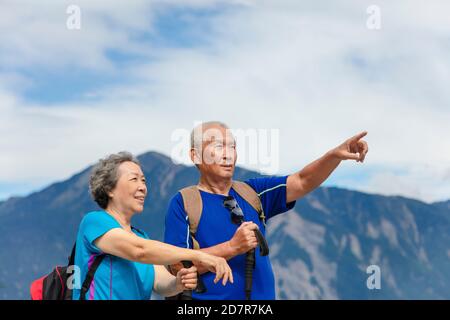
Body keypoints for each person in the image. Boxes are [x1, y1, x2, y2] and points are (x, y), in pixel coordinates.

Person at [164, 121, 368, 299]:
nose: (228, 154)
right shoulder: (184, 202)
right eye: (218, 146)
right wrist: (231, 247)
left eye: (232, 146)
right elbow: (177, 267)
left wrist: (335, 156)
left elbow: (302, 181)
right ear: (195, 155)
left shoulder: (253, 193)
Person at [73, 151, 233, 300]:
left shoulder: (142, 238)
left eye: (143, 180)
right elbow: (138, 250)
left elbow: (161, 284)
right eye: (134, 179)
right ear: (109, 189)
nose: (142, 187)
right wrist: (199, 255)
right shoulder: (95, 222)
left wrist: (178, 283)